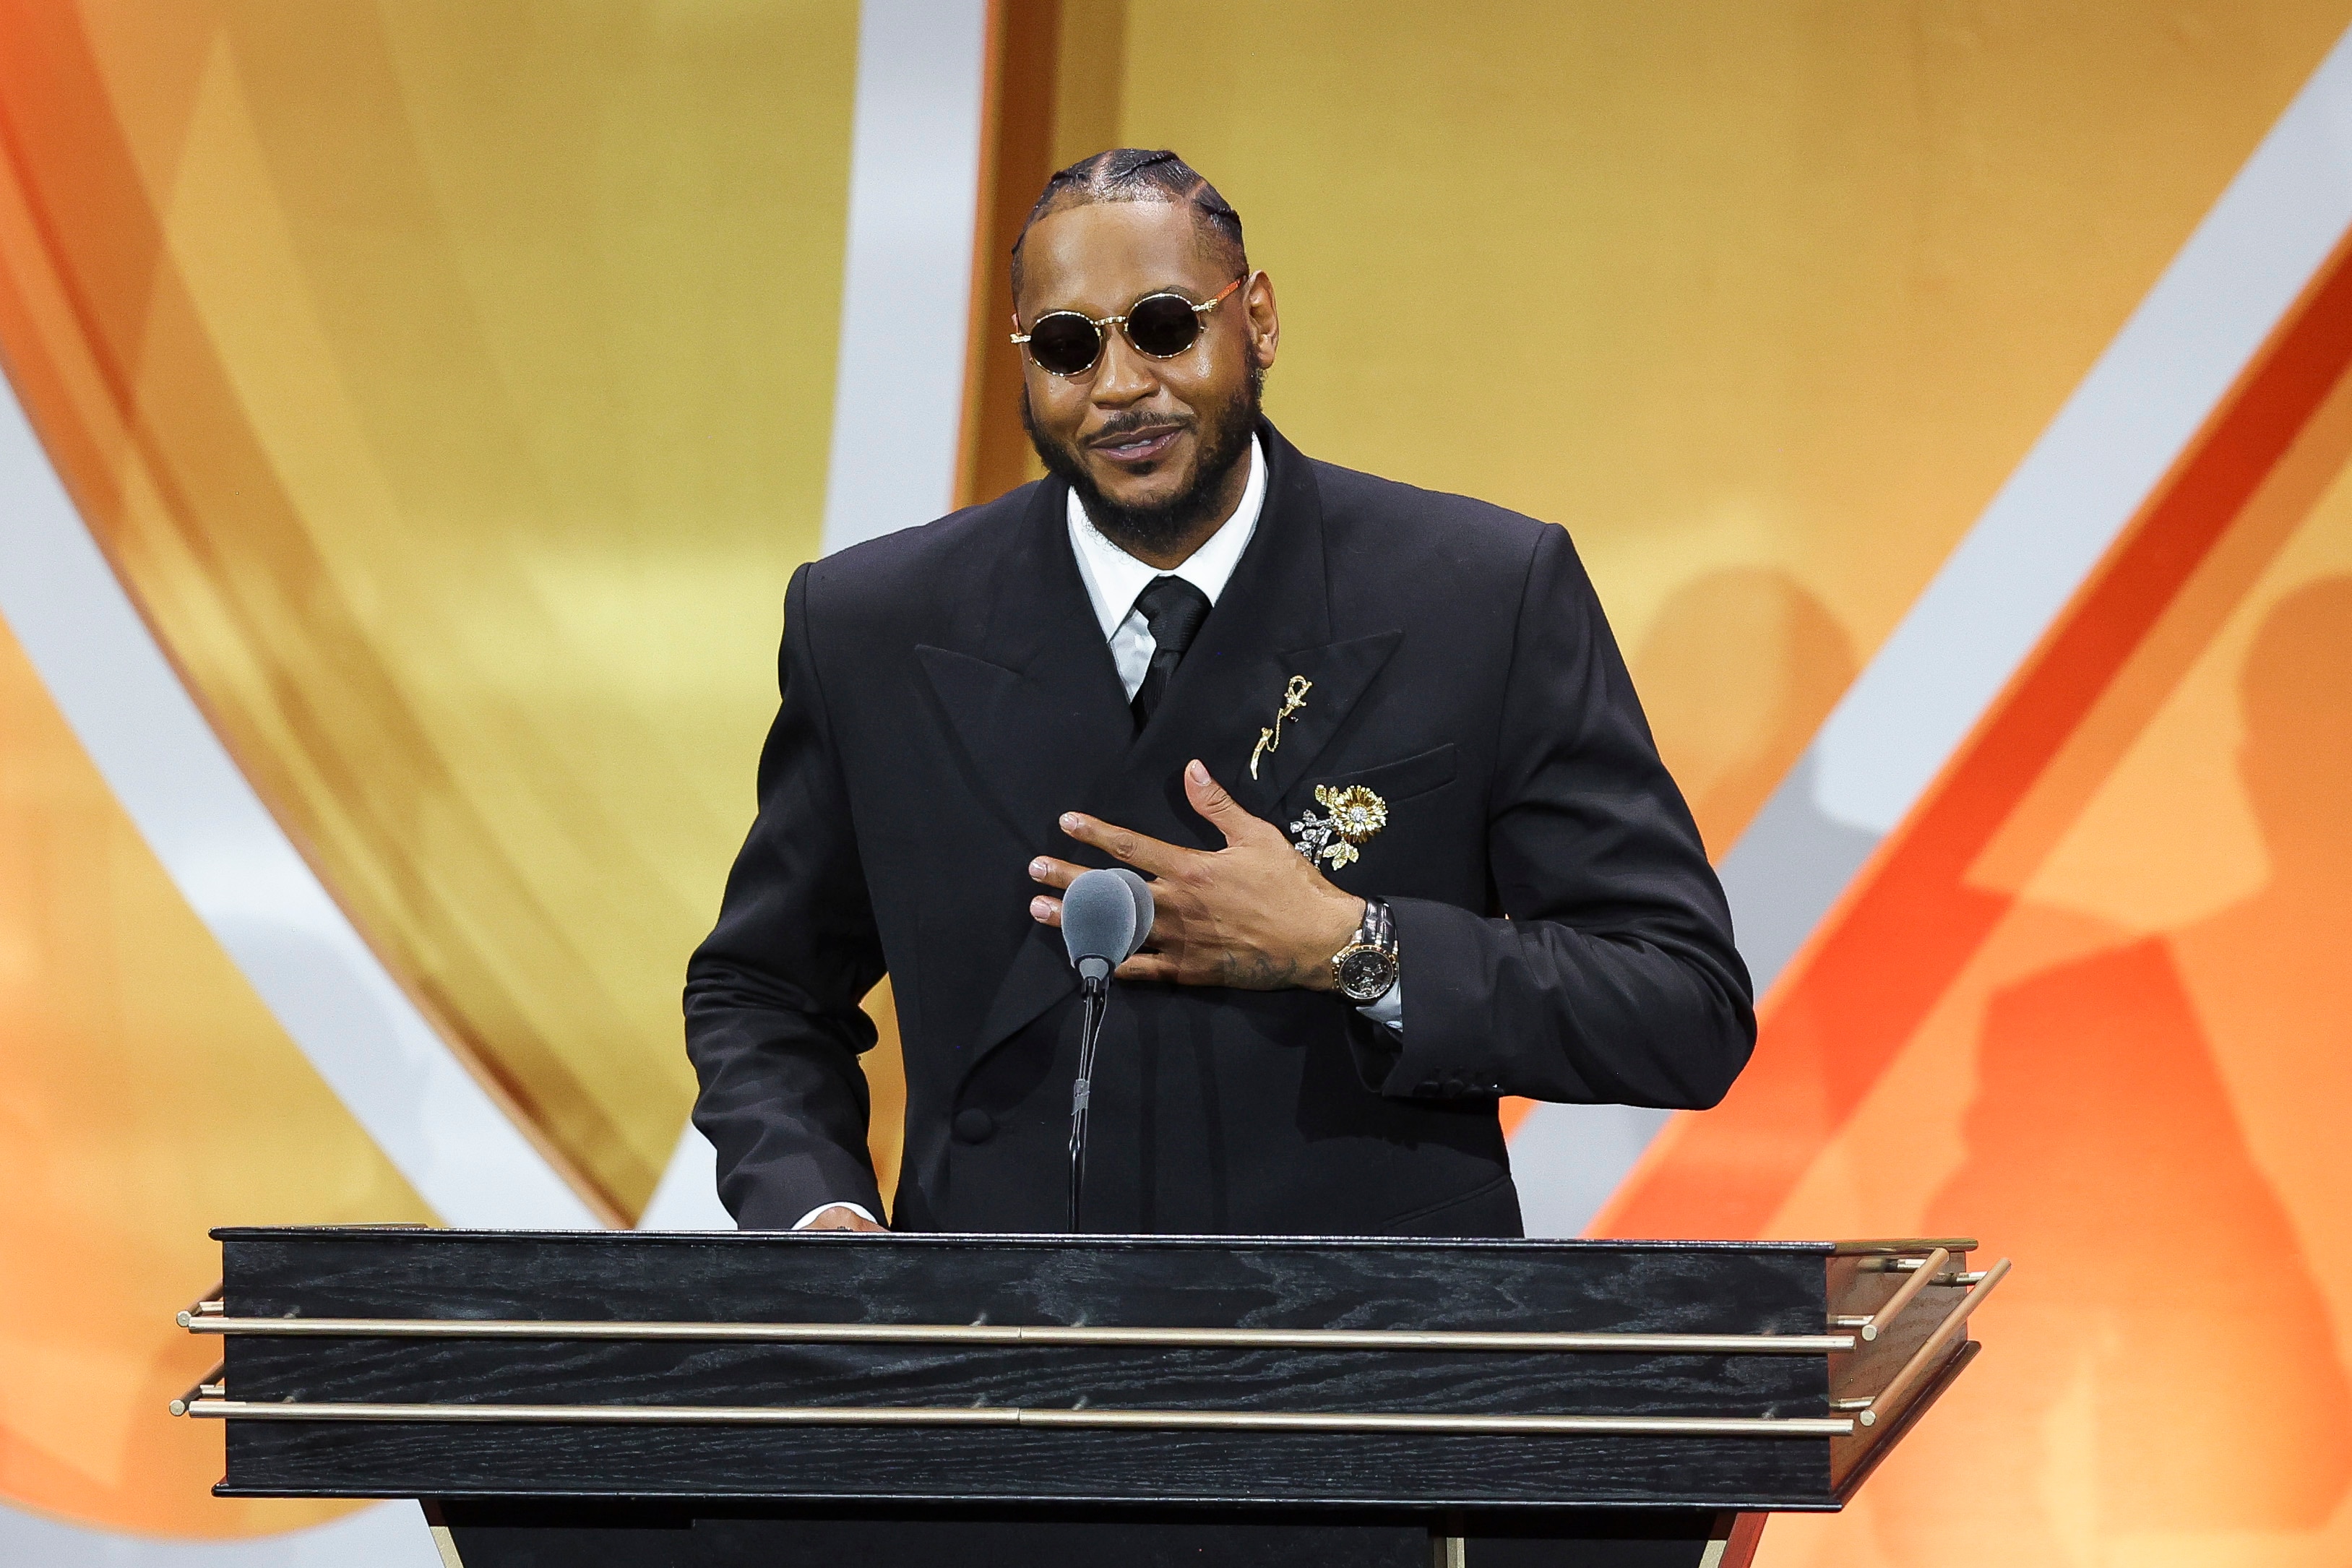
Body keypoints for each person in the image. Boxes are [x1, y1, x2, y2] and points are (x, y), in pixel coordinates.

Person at [684, 149, 1754, 1236]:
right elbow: (762, 995)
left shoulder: (1482, 596)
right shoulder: (872, 623)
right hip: (1001, 1363)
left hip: (1372, 1356)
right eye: (1065, 346)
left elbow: (1680, 1003)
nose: (1117, 387)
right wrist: (816, 1226)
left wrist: (1350, 942)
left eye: (1162, 326)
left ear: (1261, 322)